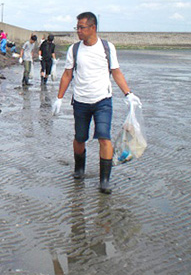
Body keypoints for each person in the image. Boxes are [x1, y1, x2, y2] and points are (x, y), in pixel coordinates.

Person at [52, 12, 141, 194]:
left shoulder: (107, 48)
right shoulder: (74, 49)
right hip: (80, 101)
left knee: (104, 137)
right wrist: (59, 98)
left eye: (81, 27)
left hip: (103, 101)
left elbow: (115, 72)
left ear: (93, 28)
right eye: (77, 27)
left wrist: (128, 94)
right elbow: (68, 74)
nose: (78, 31)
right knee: (80, 137)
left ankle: (104, 180)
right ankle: (79, 169)